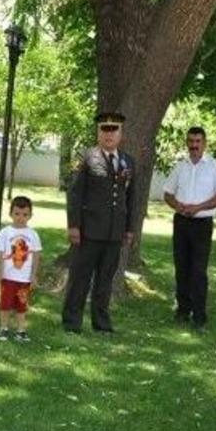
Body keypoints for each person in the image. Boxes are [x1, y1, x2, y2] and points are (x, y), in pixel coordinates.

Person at [61, 111, 135, 334]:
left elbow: (132, 197)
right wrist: (74, 225)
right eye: (105, 129)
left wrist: (129, 228)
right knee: (80, 278)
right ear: (98, 132)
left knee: (105, 280)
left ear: (121, 133)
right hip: (89, 231)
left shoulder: (128, 161)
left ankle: (101, 324)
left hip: (114, 233)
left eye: (114, 130)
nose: (109, 134)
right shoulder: (85, 158)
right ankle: (72, 322)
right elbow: (75, 194)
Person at [162, 126, 216, 332]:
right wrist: (178, 206)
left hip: (202, 224)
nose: (194, 145)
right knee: (181, 268)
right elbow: (167, 194)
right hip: (181, 222)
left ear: (204, 143)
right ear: (187, 143)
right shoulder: (180, 166)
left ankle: (199, 316)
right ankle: (182, 310)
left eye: (198, 141)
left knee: (198, 271)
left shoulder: (215, 167)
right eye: (191, 141)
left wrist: (198, 207)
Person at [0, 195, 42, 342]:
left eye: (25, 214)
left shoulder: (33, 234)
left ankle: (21, 330)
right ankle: (3, 328)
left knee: (22, 305)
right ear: (11, 213)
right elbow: (0, 253)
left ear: (30, 215)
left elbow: (36, 256)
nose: (21, 217)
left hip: (24, 279)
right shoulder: (5, 232)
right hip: (8, 277)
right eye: (17, 214)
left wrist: (33, 275)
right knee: (5, 305)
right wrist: (0, 272)